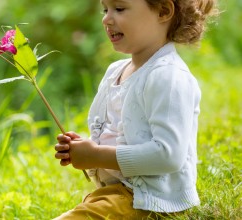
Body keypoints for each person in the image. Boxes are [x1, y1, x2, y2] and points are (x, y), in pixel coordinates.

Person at [53, 0, 218, 219]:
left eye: (119, 9)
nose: (106, 19)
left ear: (163, 11)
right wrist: (85, 148)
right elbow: (121, 134)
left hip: (151, 201)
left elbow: (169, 156)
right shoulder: (115, 71)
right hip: (117, 194)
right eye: (105, 9)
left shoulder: (168, 76)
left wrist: (97, 155)